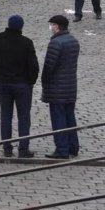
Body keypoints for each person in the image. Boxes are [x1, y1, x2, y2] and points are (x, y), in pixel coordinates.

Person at [0, 15, 39, 157]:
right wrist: (31, 81)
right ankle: (23, 148)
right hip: (22, 84)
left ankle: (7, 148)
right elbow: (33, 66)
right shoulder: (26, 42)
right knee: (24, 117)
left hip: (4, 83)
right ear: (21, 27)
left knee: (5, 116)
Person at [41, 14, 80, 159]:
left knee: (58, 119)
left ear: (57, 26)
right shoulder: (73, 41)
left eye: (52, 25)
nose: (51, 27)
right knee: (70, 117)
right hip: (70, 87)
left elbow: (49, 66)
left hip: (57, 89)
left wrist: (44, 81)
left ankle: (62, 150)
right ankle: (73, 147)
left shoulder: (56, 43)